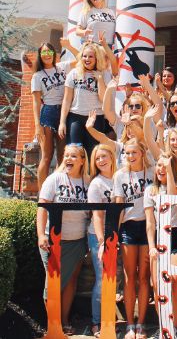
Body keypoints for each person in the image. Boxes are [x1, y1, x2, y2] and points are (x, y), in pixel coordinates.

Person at [37, 144, 89, 336]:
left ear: (82, 160)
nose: (69, 159)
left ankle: (64, 320)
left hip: (78, 241)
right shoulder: (54, 179)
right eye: (66, 155)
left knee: (70, 281)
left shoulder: (88, 181)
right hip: (54, 242)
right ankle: (53, 326)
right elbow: (42, 208)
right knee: (52, 285)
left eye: (73, 156)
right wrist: (41, 235)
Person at [145, 153, 177, 338]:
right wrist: (151, 246)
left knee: (174, 286)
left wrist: (171, 172)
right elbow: (149, 222)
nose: (161, 169)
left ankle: (175, 329)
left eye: (166, 166)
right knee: (157, 287)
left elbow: (172, 197)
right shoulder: (150, 190)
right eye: (159, 165)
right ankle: (164, 327)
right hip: (159, 237)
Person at [113, 139, 154, 339]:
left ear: (142, 153)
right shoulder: (120, 175)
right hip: (129, 227)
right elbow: (119, 206)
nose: (130, 157)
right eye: (127, 153)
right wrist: (113, 234)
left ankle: (142, 323)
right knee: (130, 277)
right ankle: (130, 324)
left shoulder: (153, 172)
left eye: (134, 152)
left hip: (148, 227)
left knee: (144, 277)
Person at [58, 42, 111, 156]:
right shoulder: (73, 73)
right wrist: (62, 122)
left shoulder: (104, 74)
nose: (87, 59)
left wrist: (100, 80)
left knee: (93, 154)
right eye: (84, 56)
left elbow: (103, 99)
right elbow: (67, 100)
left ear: (97, 58)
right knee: (74, 153)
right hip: (75, 117)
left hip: (96, 118)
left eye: (90, 56)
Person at [32, 42, 71, 188]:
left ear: (54, 54)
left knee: (62, 156)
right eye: (43, 52)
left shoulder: (63, 67)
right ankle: (42, 196)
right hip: (48, 113)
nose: (47, 55)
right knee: (47, 157)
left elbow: (80, 59)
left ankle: (58, 191)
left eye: (49, 52)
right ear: (40, 56)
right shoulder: (37, 76)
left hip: (64, 113)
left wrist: (68, 45)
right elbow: (36, 102)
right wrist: (37, 126)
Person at [87, 144, 116, 338]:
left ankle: (110, 320)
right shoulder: (96, 184)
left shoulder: (121, 176)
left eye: (104, 156)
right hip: (99, 235)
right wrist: (101, 241)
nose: (101, 161)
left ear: (112, 157)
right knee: (102, 279)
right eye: (97, 158)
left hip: (118, 234)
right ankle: (97, 321)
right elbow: (97, 216)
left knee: (113, 279)